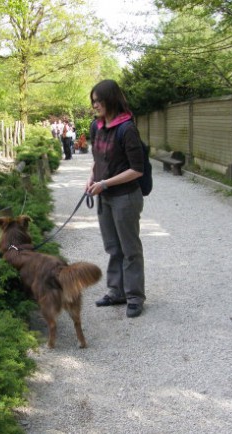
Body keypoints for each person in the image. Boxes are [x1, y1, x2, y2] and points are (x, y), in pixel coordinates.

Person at [86, 79, 146, 318]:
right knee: (113, 247)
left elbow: (137, 170)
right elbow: (98, 159)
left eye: (98, 101)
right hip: (105, 196)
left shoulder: (127, 128)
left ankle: (134, 296)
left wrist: (104, 184)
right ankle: (116, 291)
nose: (95, 106)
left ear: (110, 100)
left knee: (130, 249)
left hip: (125, 197)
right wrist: (91, 178)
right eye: (93, 102)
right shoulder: (96, 126)